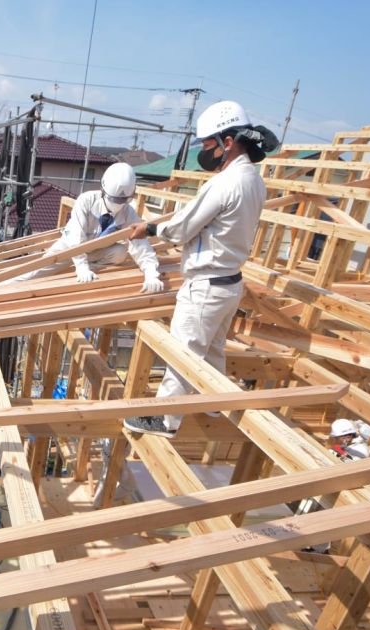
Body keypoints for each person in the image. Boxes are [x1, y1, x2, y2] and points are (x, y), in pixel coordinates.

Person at [123, 101, 278, 437]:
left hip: (206, 284)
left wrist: (149, 229)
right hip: (230, 282)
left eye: (208, 145)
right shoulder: (254, 180)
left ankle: (166, 419)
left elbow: (182, 228)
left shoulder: (225, 183)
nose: (205, 153)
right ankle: (214, 401)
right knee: (212, 349)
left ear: (228, 141)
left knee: (184, 353)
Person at [6, 162, 163, 292]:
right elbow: (76, 237)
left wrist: (151, 274)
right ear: (103, 189)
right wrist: (81, 266)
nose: (118, 204)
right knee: (36, 272)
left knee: (120, 253)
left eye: (123, 200)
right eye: (114, 199)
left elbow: (141, 244)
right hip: (69, 248)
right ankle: (2, 287)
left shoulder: (128, 213)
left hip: (97, 252)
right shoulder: (86, 201)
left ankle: (88, 269)